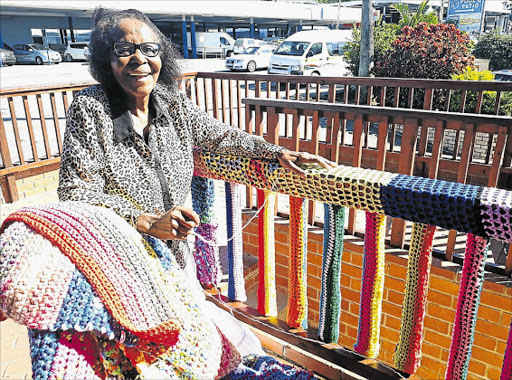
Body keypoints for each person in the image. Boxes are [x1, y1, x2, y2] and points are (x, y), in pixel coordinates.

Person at [55, 6, 334, 378]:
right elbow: (74, 190)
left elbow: (219, 134)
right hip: (127, 260)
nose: (140, 59)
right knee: (156, 354)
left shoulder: (171, 102)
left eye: (150, 49)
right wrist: (146, 220)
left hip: (177, 252)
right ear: (107, 60)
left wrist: (274, 152)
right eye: (125, 50)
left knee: (195, 338)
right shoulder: (91, 108)